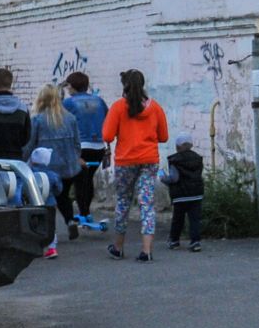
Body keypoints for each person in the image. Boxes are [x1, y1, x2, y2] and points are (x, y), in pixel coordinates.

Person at [101, 69, 168, 263]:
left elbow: (107, 135)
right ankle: (146, 250)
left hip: (125, 161)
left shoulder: (119, 107)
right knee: (147, 204)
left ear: (124, 85)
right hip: (149, 160)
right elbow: (163, 137)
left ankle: (118, 247)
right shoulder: (155, 108)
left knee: (123, 201)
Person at [24, 84, 82, 258]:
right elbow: (77, 143)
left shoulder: (38, 120)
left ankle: (51, 235)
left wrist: (23, 161)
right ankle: (70, 220)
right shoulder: (70, 118)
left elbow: (30, 144)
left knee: (47, 200)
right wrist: (75, 158)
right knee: (64, 197)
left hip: (47, 168)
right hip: (68, 166)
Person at [62, 72, 111, 227]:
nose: (67, 88)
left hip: (80, 147)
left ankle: (80, 215)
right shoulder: (99, 101)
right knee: (87, 180)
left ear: (73, 86)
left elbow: (62, 122)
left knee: (74, 182)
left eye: (68, 85)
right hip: (98, 148)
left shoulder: (68, 103)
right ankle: (86, 212)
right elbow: (108, 118)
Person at [162, 132, 206, 252]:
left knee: (178, 219)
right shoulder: (198, 159)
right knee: (194, 219)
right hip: (196, 194)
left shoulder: (175, 160)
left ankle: (174, 240)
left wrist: (163, 177)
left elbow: (174, 178)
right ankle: (195, 242)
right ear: (191, 145)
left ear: (178, 147)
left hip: (180, 195)